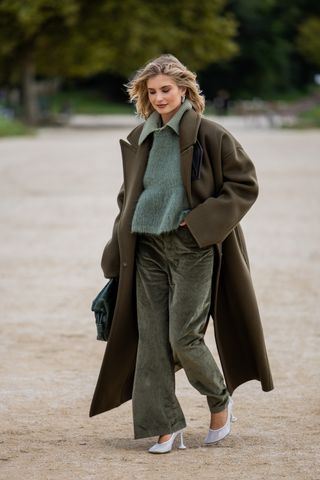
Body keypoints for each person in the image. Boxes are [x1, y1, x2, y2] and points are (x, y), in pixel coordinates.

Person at [89, 54, 274, 453]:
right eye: (151, 91)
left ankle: (220, 400)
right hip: (147, 248)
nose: (158, 98)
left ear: (185, 89)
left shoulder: (211, 134)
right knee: (151, 341)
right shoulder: (141, 138)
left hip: (192, 247)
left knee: (183, 337)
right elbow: (128, 199)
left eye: (166, 90)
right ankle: (165, 427)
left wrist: (200, 222)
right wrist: (115, 246)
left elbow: (244, 184)